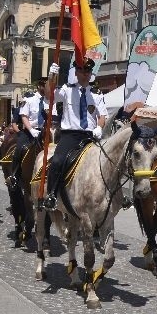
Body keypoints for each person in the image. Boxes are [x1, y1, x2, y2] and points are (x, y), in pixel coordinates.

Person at [43, 58, 108, 211]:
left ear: (91, 73)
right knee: (58, 161)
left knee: (107, 161)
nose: (85, 74)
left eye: (88, 71)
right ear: (76, 72)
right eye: (82, 70)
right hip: (70, 135)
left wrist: (99, 127)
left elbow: (102, 116)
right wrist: (51, 76)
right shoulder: (67, 90)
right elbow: (48, 94)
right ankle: (52, 194)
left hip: (90, 136)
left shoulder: (97, 94)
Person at [8, 80, 48, 187]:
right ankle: (14, 176)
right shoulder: (29, 99)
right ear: (40, 86)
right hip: (30, 132)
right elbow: (24, 116)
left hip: (44, 132)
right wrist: (31, 129)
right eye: (45, 85)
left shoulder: (49, 100)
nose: (48, 87)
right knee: (19, 150)